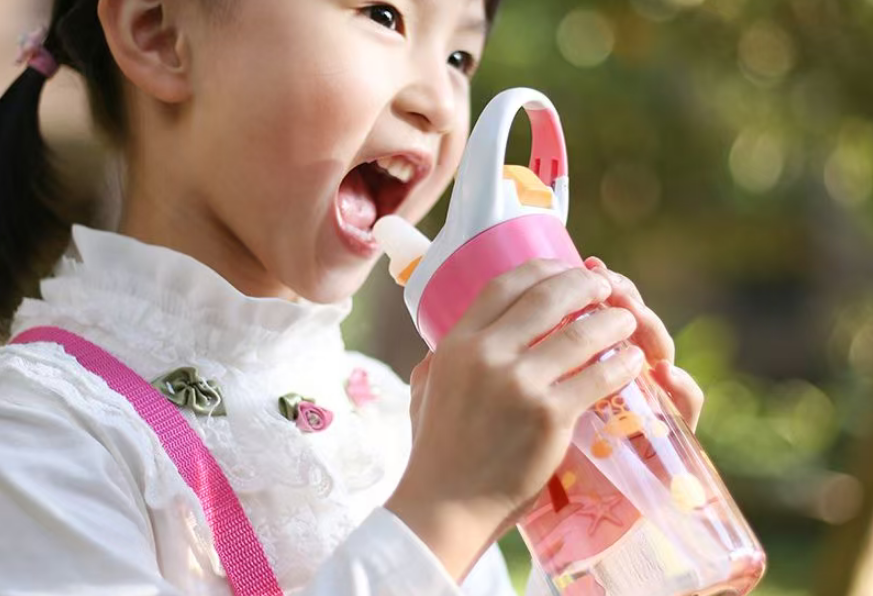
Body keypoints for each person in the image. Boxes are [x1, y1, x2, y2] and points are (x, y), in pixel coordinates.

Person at [0, 0, 706, 594]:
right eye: (383, 14)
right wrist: (445, 510)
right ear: (160, 32)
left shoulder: (397, 416)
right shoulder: (40, 430)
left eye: (459, 59)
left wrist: (605, 537)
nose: (437, 103)